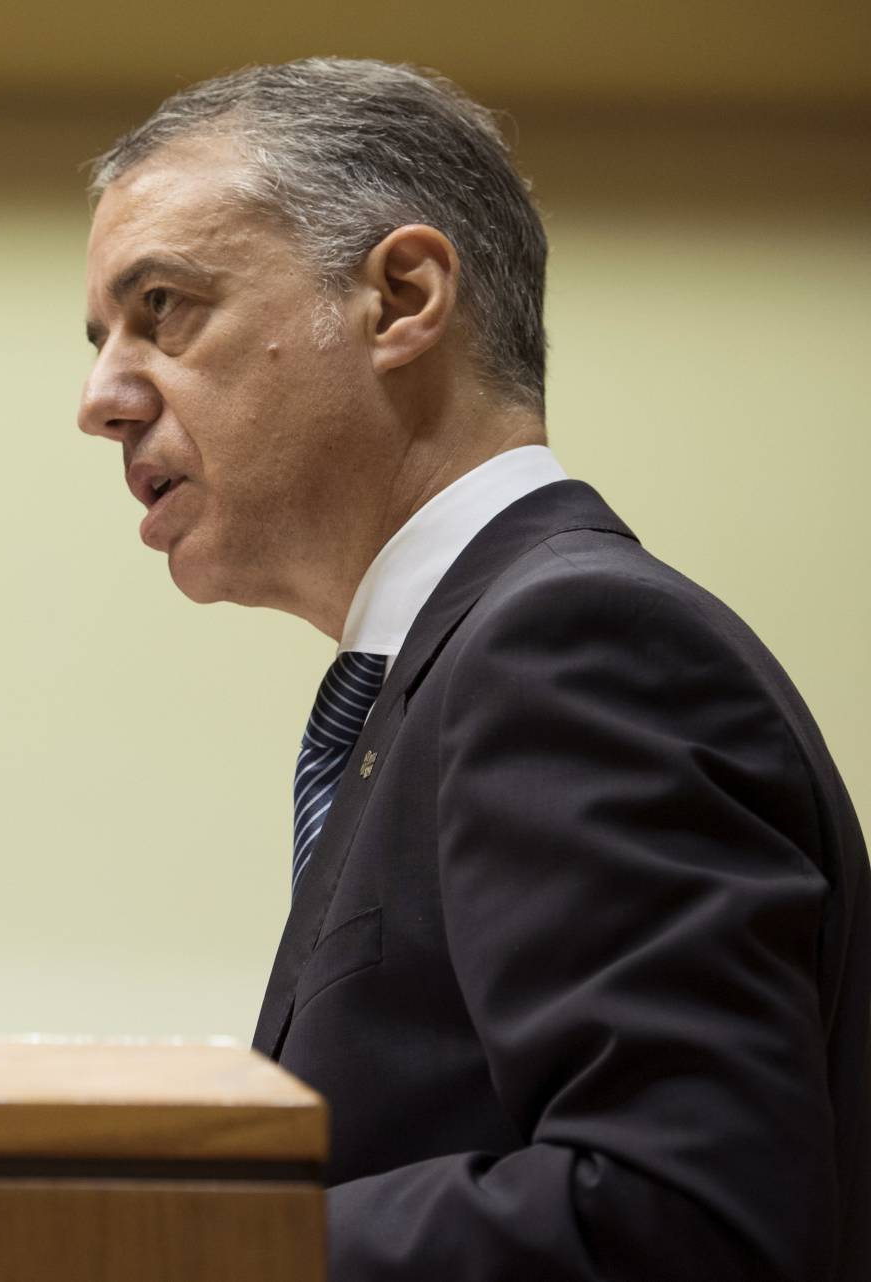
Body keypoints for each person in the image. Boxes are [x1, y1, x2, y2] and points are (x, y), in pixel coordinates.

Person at [77, 58, 869, 1280]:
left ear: (400, 299)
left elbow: (689, 1218)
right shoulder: (443, 673)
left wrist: (185, 1250)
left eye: (164, 308)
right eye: (101, 338)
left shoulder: (575, 646)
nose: (102, 399)